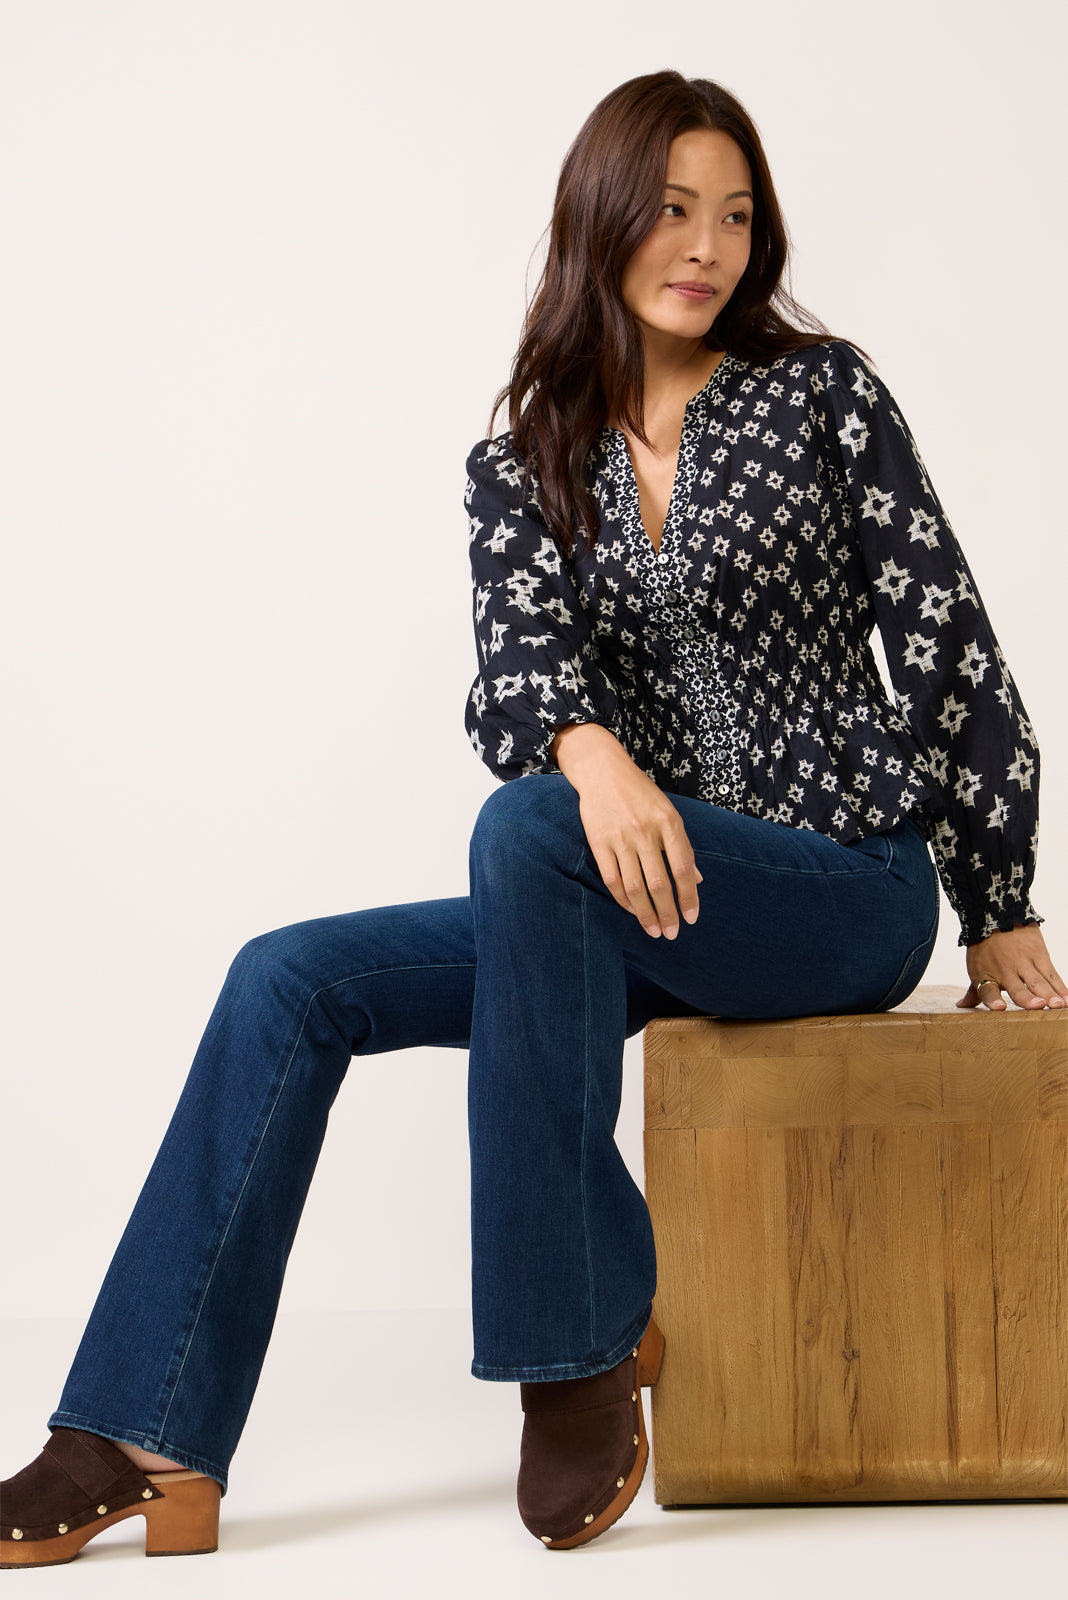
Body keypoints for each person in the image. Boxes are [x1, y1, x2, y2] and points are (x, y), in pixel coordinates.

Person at [2, 68, 1066, 1568]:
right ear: (602, 219)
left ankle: (573, 1349)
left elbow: (945, 638)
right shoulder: (526, 455)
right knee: (286, 978)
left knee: (524, 834)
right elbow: (518, 678)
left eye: (736, 217)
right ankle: (141, 1429)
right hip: (630, 900)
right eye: (673, 210)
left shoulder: (824, 396)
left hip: (840, 887)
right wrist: (592, 749)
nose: (707, 247)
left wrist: (998, 899)